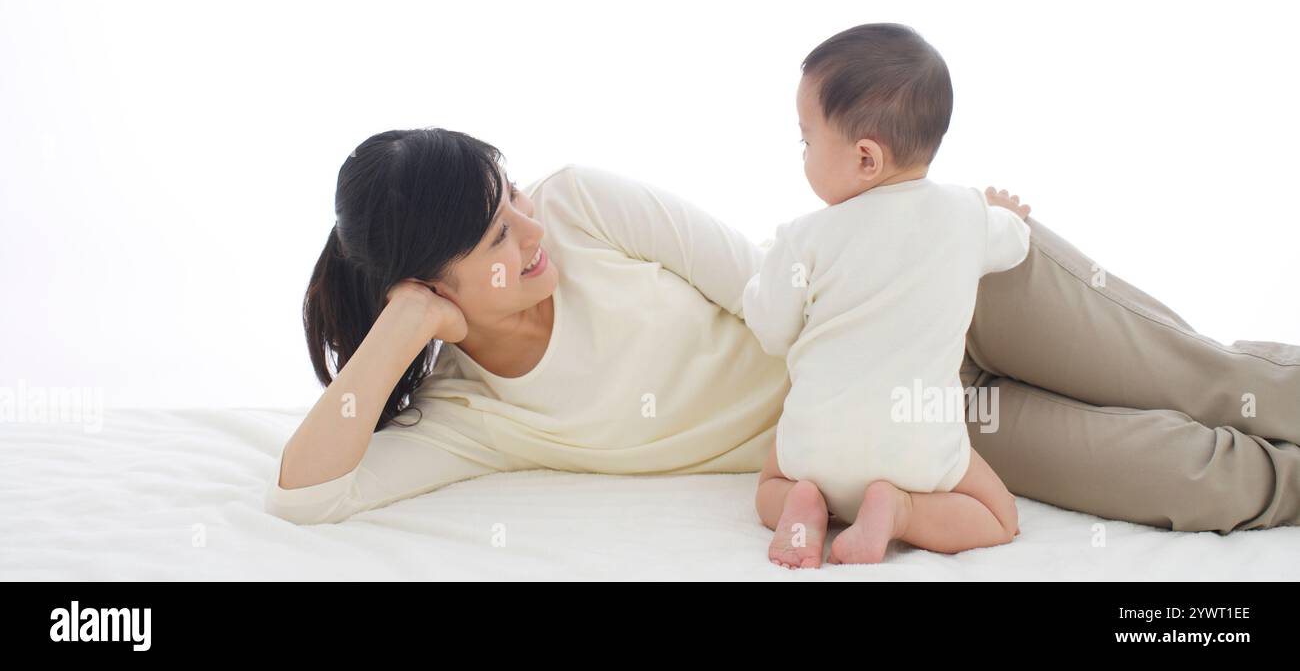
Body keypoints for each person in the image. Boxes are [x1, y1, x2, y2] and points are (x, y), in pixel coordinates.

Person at [266, 109, 1300, 549]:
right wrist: (400, 331)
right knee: (1198, 480)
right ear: (425, 287)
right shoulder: (470, 415)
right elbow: (307, 495)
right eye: (496, 232)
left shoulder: (578, 205)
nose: (530, 229)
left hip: (942, 290)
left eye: (510, 194)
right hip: (911, 423)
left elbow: (770, 279)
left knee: (1203, 377)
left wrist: (928, 232)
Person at [744, 23, 1031, 568]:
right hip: (919, 447)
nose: (802, 151)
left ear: (866, 158)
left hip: (815, 449)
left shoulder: (802, 238)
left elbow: (771, 328)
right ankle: (900, 512)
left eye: (806, 139)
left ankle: (805, 505)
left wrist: (761, 281)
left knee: (768, 486)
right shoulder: (966, 215)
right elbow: (1013, 243)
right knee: (1000, 516)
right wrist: (1004, 213)